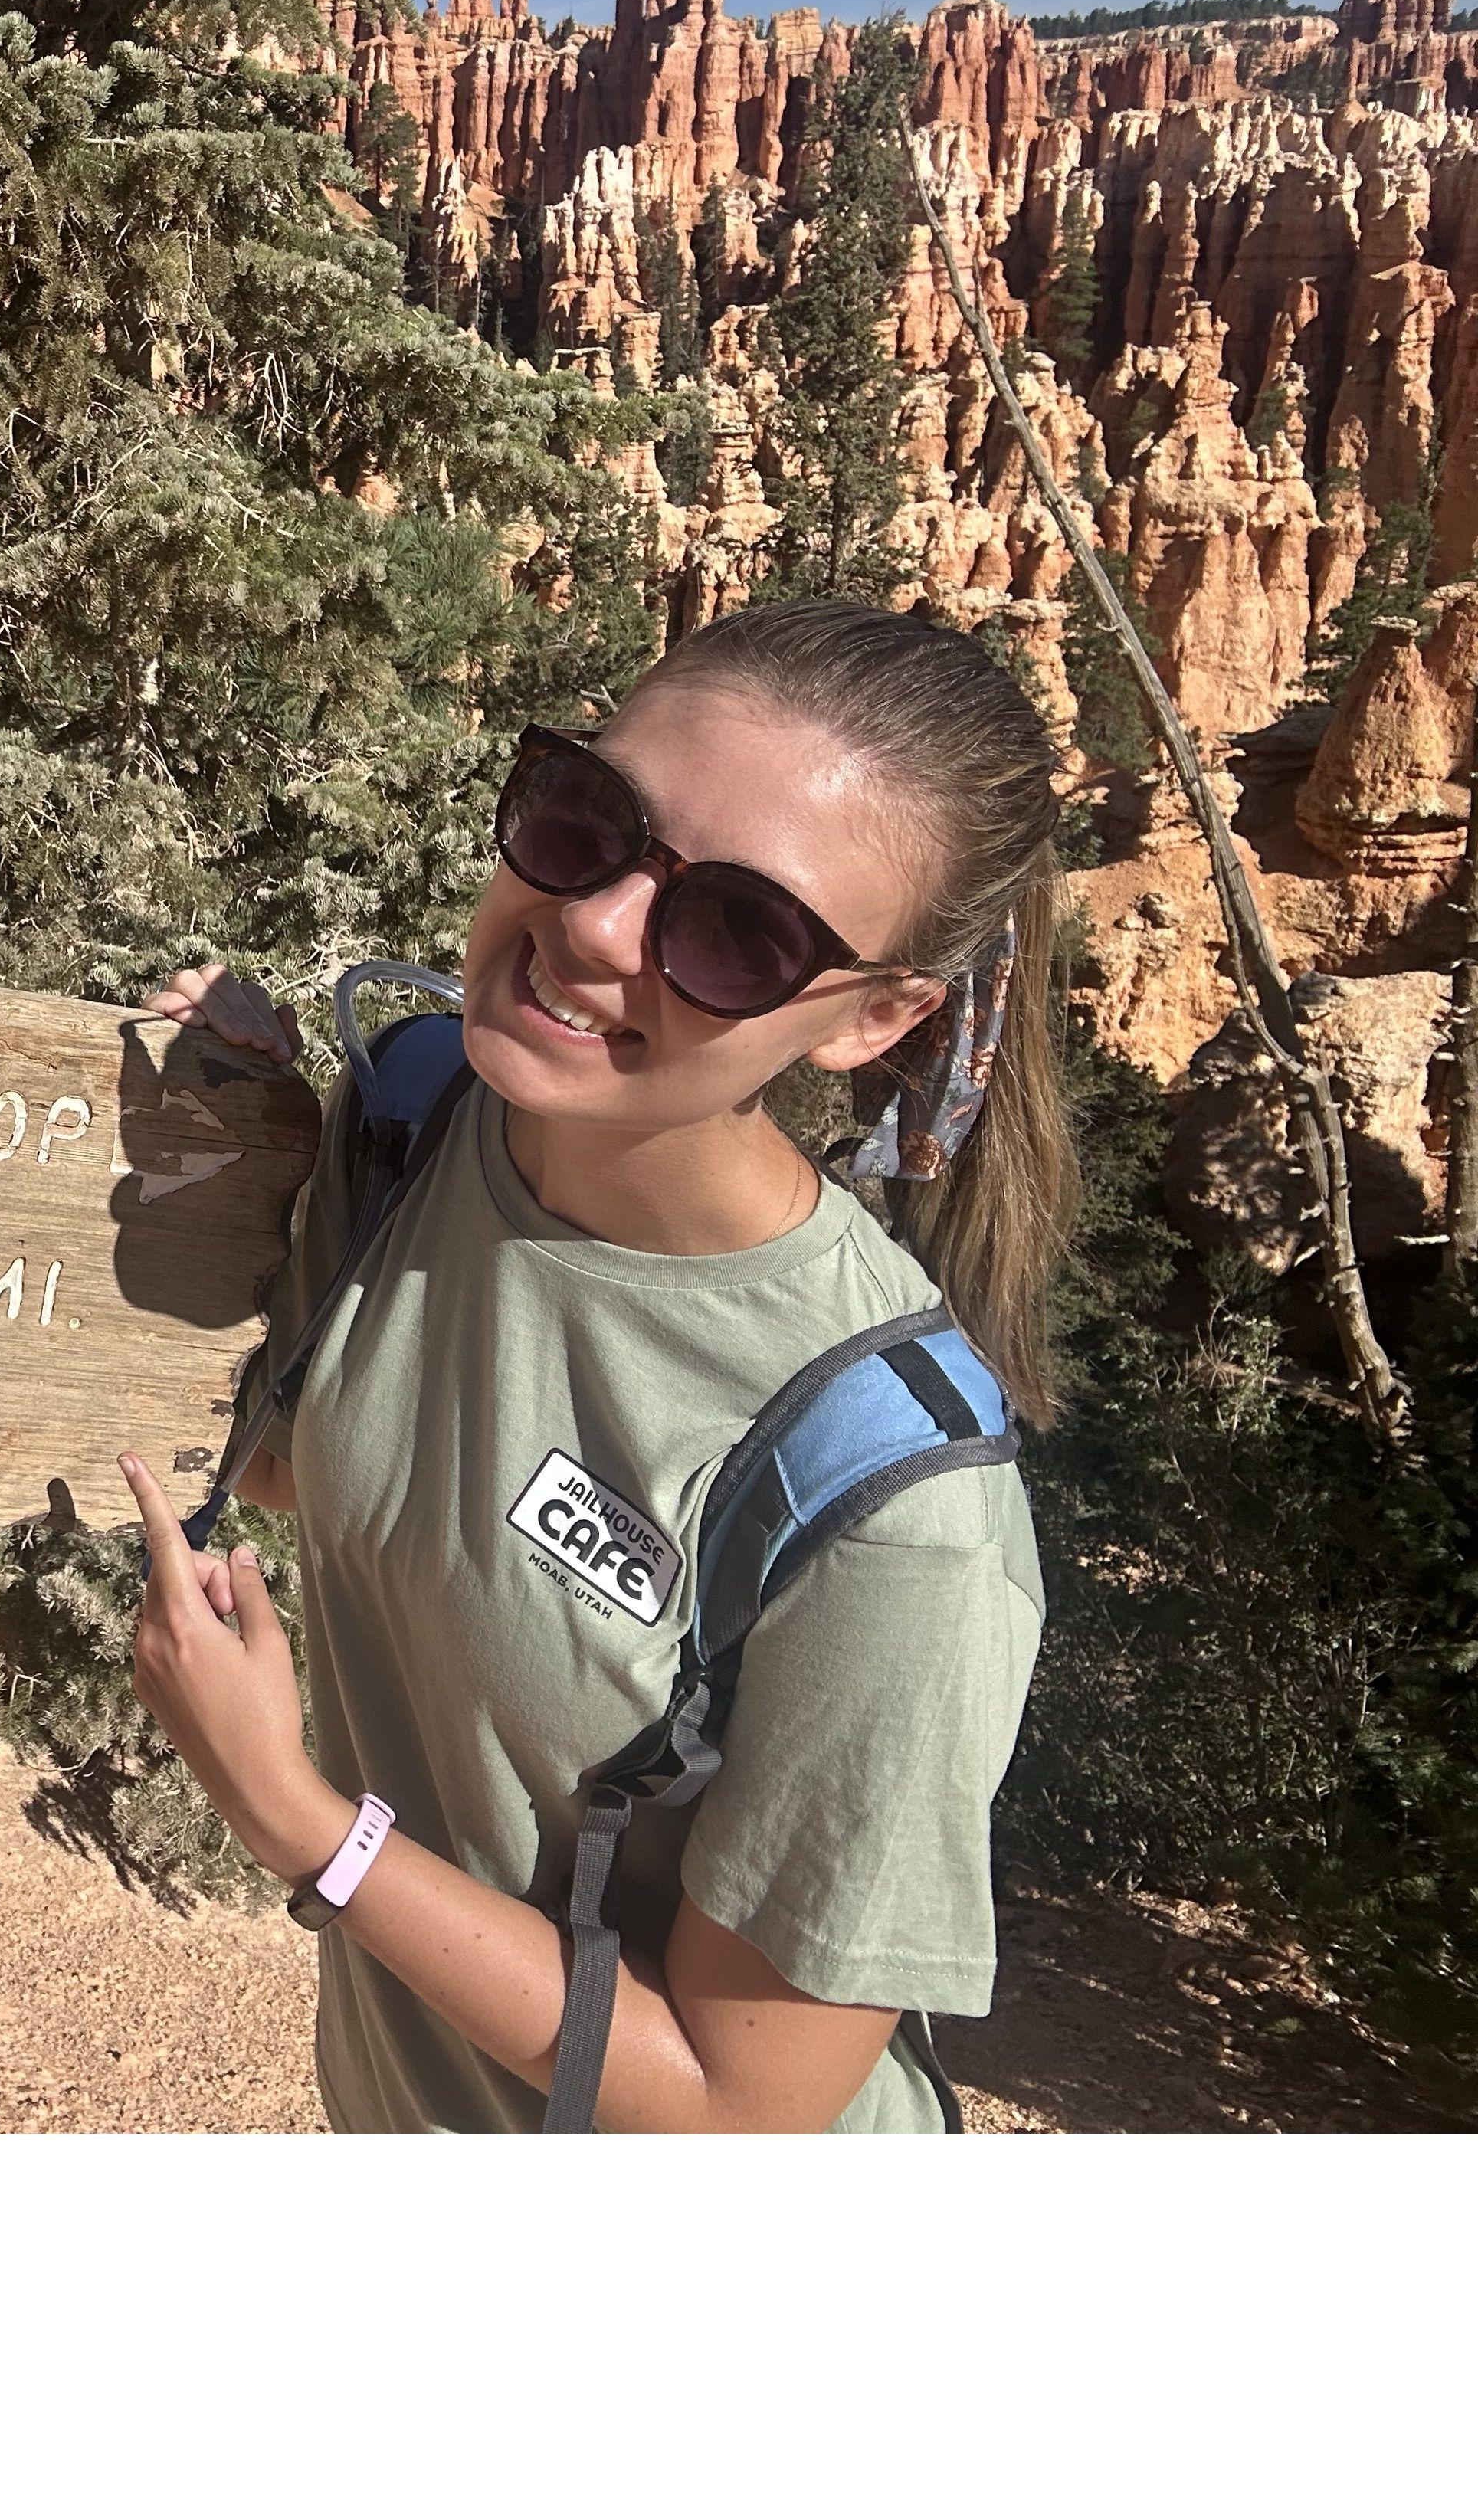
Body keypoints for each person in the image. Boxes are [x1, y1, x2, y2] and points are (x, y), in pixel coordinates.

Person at [121, 599, 1073, 2132]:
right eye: (590, 821)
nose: (601, 923)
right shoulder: (419, 1113)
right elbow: (320, 1466)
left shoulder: (898, 1512)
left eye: (740, 934)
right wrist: (239, 1150)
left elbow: (741, 2115)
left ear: (876, 1018)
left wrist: (303, 1824)